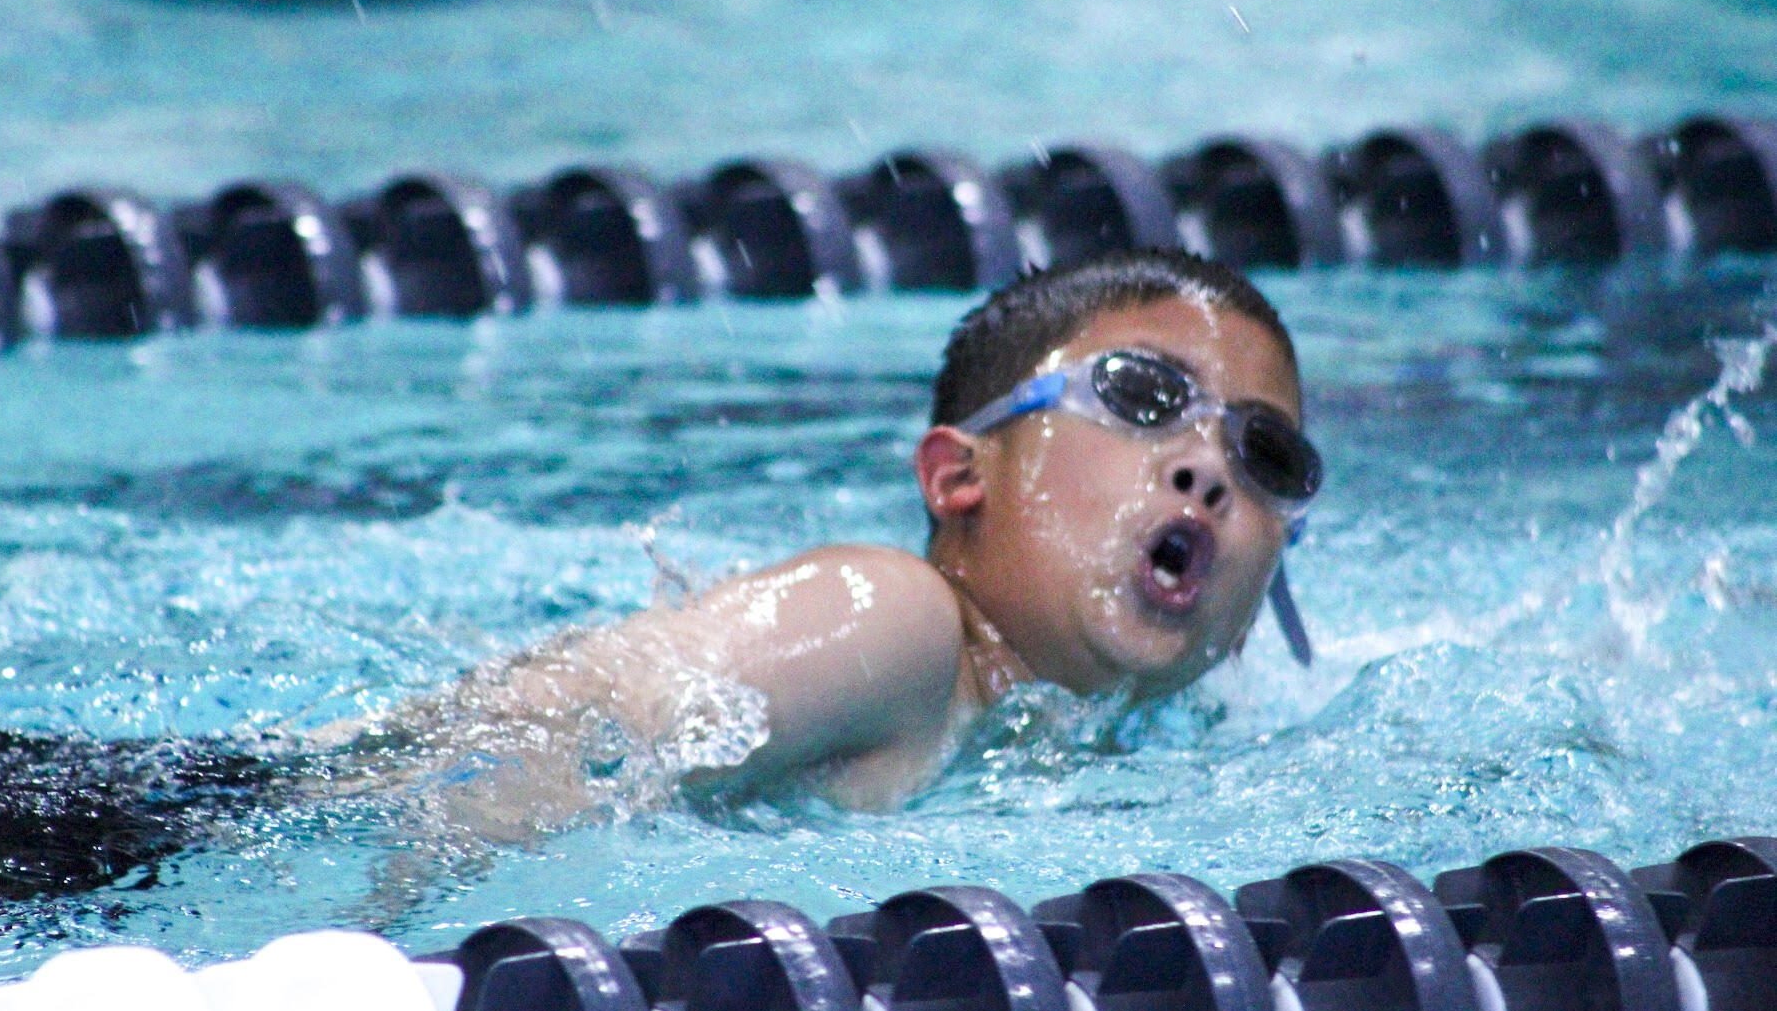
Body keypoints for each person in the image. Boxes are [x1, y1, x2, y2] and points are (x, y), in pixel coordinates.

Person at [381, 248, 1322, 836]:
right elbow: (509, 752)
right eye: (1141, 397)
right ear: (958, 477)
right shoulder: (891, 624)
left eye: (1265, 454)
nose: (1208, 468)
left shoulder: (1124, 743)